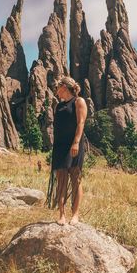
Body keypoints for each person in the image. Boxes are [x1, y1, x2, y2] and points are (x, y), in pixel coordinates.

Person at [47, 76, 87, 225]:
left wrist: (76, 142)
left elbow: (81, 123)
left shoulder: (79, 102)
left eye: (57, 88)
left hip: (73, 144)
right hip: (60, 146)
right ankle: (62, 215)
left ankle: (75, 215)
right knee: (61, 179)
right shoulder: (59, 106)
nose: (56, 92)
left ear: (64, 87)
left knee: (75, 177)